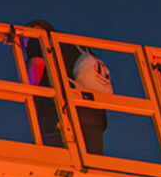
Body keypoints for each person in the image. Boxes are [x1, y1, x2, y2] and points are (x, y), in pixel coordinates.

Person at [18, 20, 111, 154]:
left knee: (56, 161)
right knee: (92, 165)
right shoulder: (77, 46)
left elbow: (36, 66)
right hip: (94, 115)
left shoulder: (39, 38)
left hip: (60, 112)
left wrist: (28, 92)